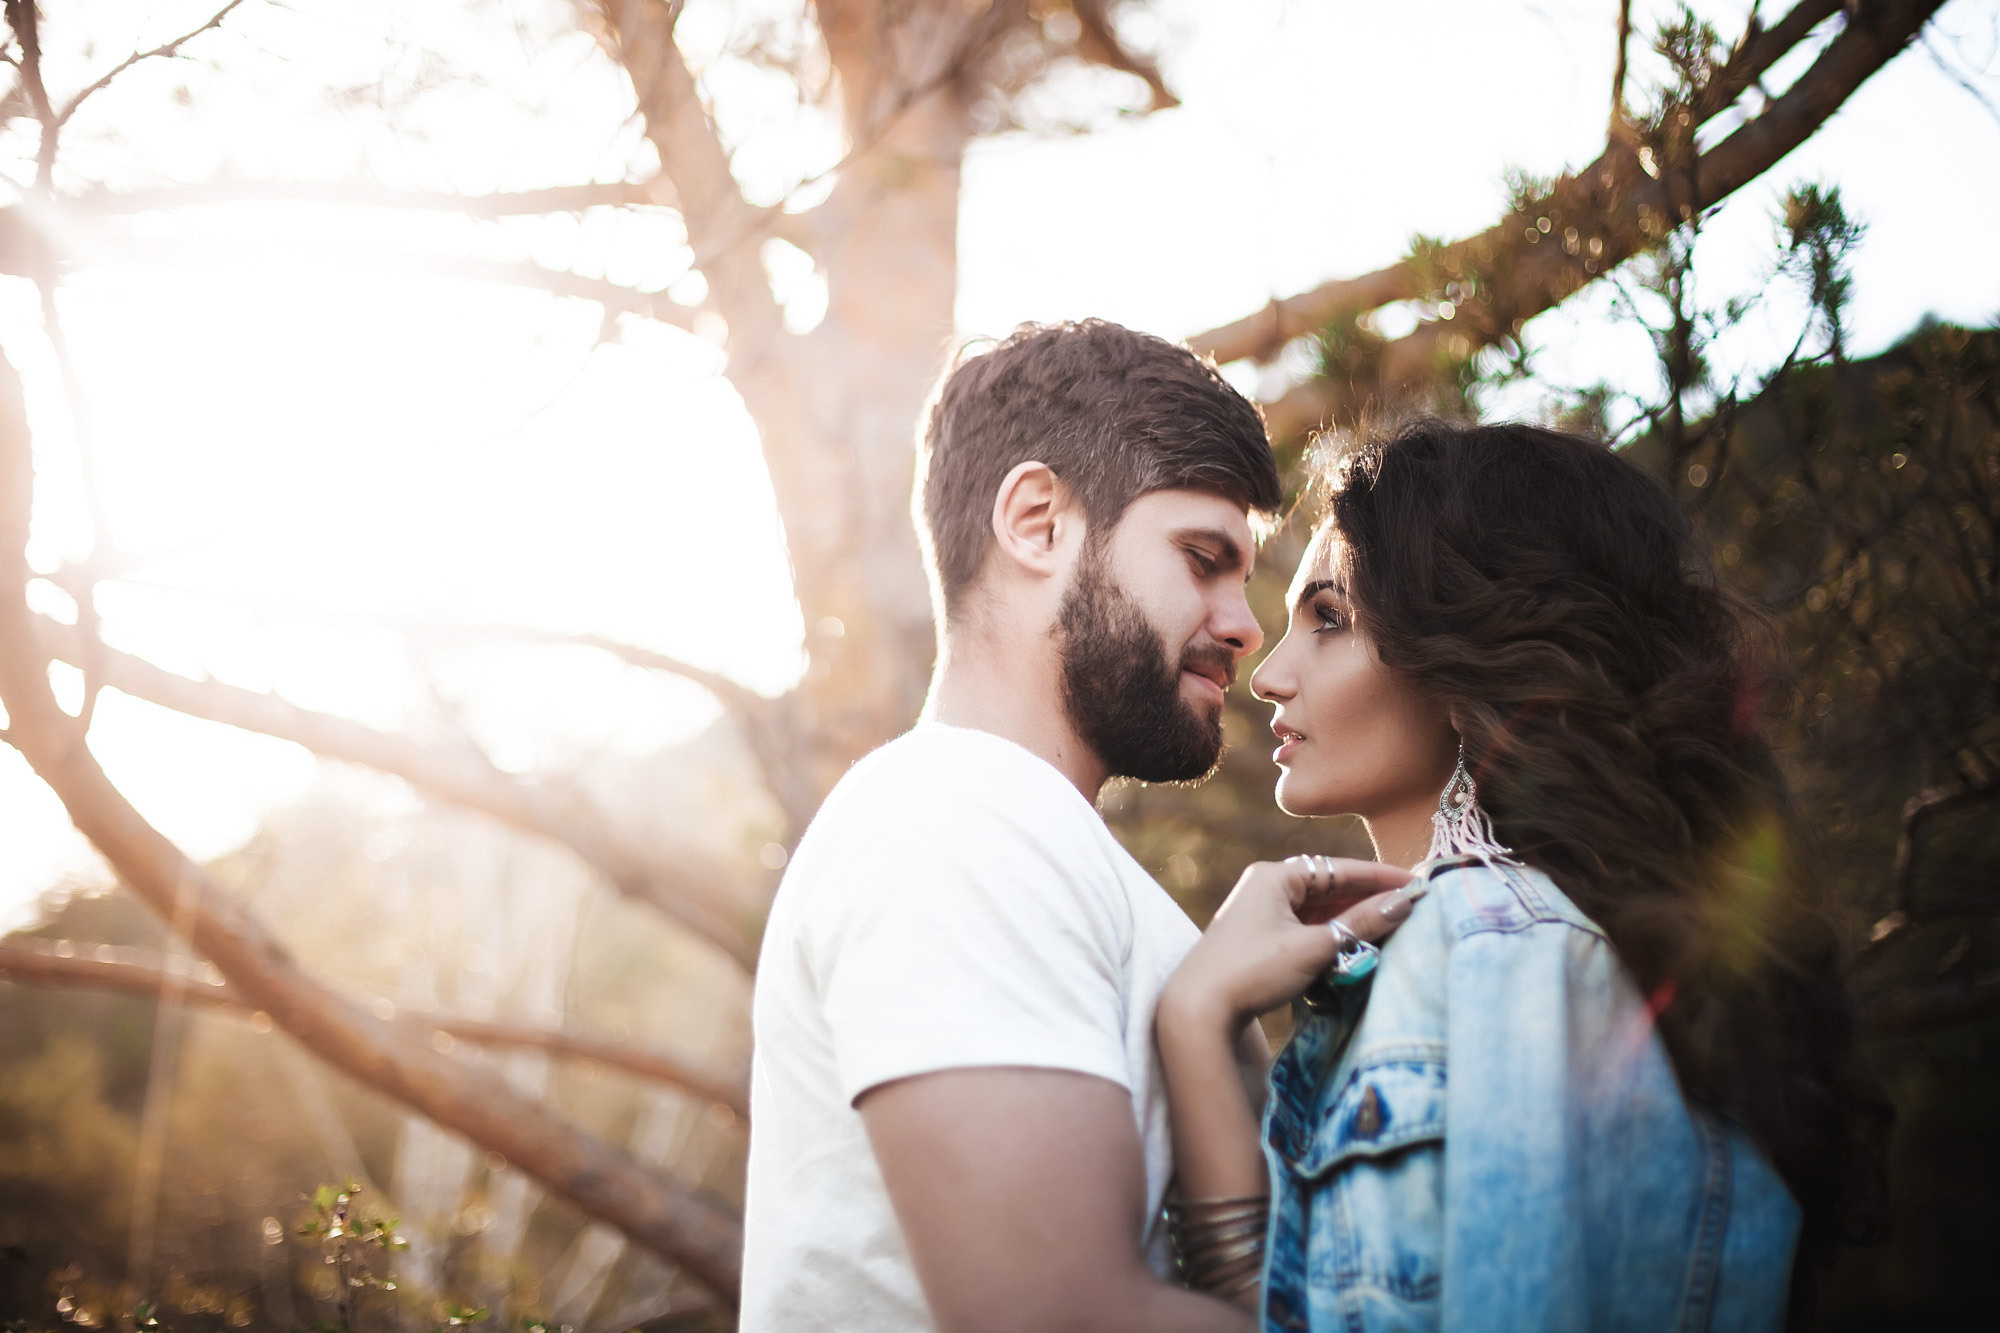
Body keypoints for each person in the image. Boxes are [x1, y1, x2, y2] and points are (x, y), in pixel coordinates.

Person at [740, 319, 1412, 1332]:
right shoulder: (957, 816)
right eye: (1201, 558)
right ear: (1037, 521)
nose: (1240, 622)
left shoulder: (1029, 839)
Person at [1155, 419, 1886, 1330]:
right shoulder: (1503, 944)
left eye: (1331, 619)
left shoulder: (1504, 947)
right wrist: (1199, 1022)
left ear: (1460, 650)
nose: (1267, 674)